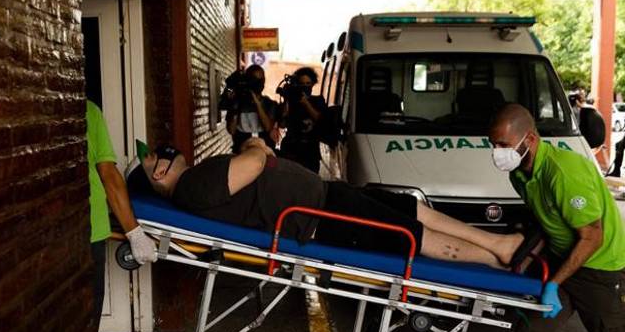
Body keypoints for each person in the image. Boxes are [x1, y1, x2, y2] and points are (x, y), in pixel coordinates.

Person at [128, 137, 536, 269]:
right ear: (159, 175)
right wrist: (254, 142)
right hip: (321, 218)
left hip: (326, 198)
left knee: (410, 209)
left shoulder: (195, 180)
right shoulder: (192, 186)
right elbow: (253, 163)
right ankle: (495, 257)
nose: (163, 152)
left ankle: (497, 242)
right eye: (155, 157)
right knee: (409, 234)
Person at [489, 103, 625, 332]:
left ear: (529, 139)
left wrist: (552, 284)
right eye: (493, 144)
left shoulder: (564, 172)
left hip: (600, 269)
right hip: (565, 263)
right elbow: (547, 222)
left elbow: (591, 237)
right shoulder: (519, 173)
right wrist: (525, 256)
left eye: (504, 146)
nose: (497, 153)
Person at [87, 100, 157, 328]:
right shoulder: (88, 111)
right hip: (90, 226)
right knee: (87, 317)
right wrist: (135, 234)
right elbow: (108, 174)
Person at [278, 66, 327, 173]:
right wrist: (287, 100)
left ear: (313, 84)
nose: (305, 87)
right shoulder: (291, 101)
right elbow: (282, 124)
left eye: (308, 84)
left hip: (311, 151)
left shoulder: (318, 100)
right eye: (302, 84)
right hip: (291, 151)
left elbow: (320, 120)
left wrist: (306, 103)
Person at [221, 64, 279, 153]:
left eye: (261, 79)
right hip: (241, 151)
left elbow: (268, 127)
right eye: (254, 79)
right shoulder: (238, 102)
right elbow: (231, 130)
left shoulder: (269, 104)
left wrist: (257, 102)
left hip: (264, 151)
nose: (259, 82)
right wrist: (234, 102)